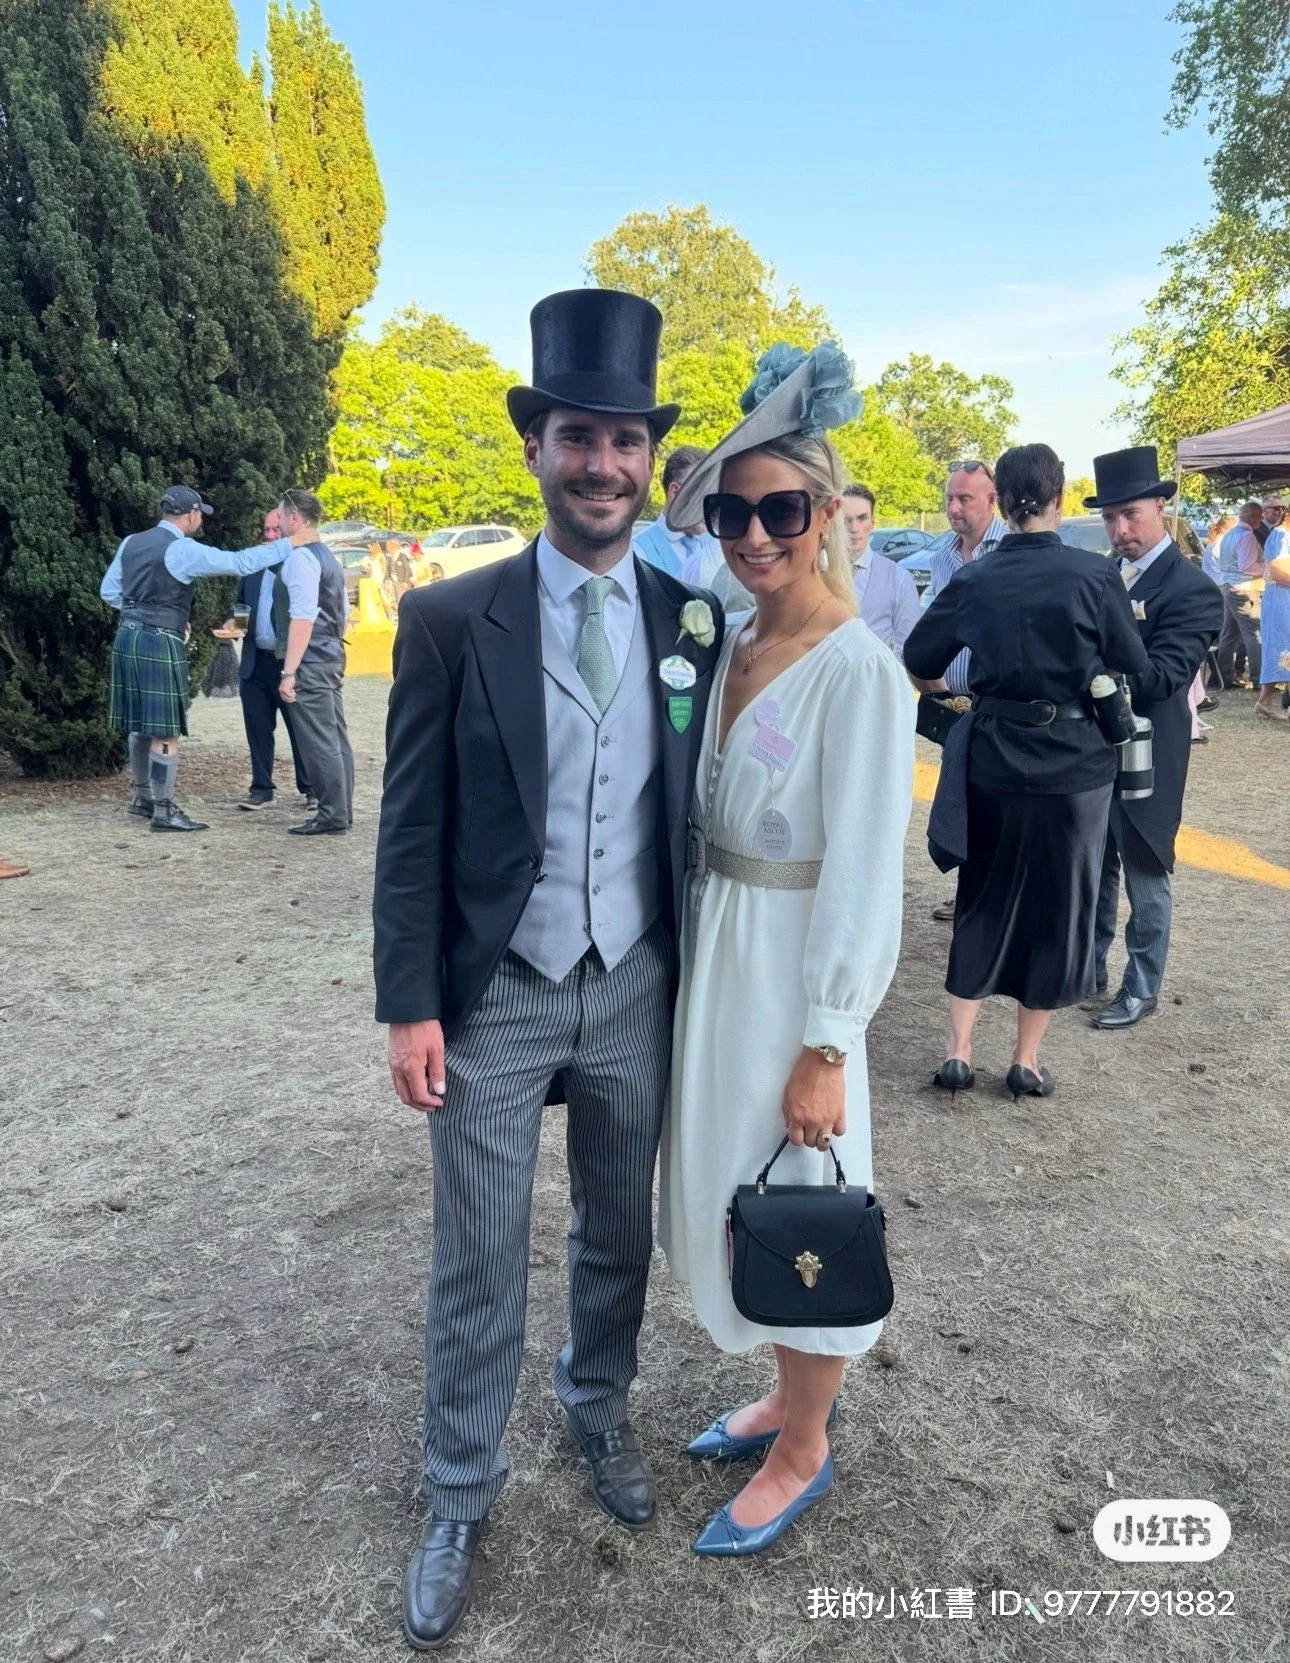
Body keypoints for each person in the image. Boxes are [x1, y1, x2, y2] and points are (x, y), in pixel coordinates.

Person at [373, 289, 725, 1650]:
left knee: (616, 1228)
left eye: (626, 441)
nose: (603, 464)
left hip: (635, 977)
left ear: (650, 458)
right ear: (536, 446)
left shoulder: (691, 620)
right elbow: (411, 827)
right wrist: (409, 1001)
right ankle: (459, 1488)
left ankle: (598, 1407)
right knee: (477, 1250)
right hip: (498, 987)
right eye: (579, 435)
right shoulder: (450, 618)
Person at [658, 343, 913, 1558]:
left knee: (805, 1193)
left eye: (781, 511)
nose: (754, 536)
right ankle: (782, 1392)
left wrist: (829, 1038)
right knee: (739, 1185)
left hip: (793, 974)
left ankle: (806, 1441)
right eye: (733, 513)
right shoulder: (733, 642)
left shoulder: (860, 672)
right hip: (724, 955)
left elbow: (864, 867)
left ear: (824, 514)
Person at [903, 444, 1147, 1099]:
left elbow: (919, 657)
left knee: (982, 896)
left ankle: (958, 1051)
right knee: (1056, 905)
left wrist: (952, 694)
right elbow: (1132, 660)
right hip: (1075, 765)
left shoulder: (975, 577)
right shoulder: (1094, 575)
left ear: (1003, 502)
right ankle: (1025, 1060)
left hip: (994, 758)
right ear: (1060, 498)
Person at [1087, 447, 1224, 1029]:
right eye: (1110, 517)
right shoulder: (1100, 575)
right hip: (1091, 749)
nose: (1121, 530)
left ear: (1160, 508)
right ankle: (1087, 970)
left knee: (1145, 871)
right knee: (1094, 866)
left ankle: (1141, 987)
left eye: (1131, 515)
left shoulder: (1193, 588)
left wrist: (1092, 669)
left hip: (1148, 752)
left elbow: (1165, 676)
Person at [99, 485, 307, 830]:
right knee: (164, 729)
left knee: (138, 722)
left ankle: (142, 797)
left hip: (127, 637)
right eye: (200, 515)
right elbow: (239, 562)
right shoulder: (183, 549)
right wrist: (291, 543)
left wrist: (143, 612)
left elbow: (109, 591)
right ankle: (164, 810)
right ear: (191, 514)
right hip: (158, 641)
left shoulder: (131, 542)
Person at [917, 462, 1008, 922]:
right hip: (954, 705)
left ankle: (994, 895)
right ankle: (968, 892)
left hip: (1000, 706)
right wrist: (938, 696)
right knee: (959, 802)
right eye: (949, 498)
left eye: (964, 499)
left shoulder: (1010, 552)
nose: (953, 508)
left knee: (997, 803)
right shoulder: (941, 559)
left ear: (992, 501)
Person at [218, 507, 312, 812]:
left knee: (301, 730)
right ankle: (262, 789)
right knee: (257, 730)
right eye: (266, 530)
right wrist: (233, 624)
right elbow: (241, 607)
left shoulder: (299, 565)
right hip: (254, 662)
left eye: (276, 529)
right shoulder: (253, 567)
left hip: (289, 663)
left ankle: (311, 788)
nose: (270, 535)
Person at [273, 489, 354, 837]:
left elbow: (303, 617)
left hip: (311, 659)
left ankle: (332, 813)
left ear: (295, 517)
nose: (278, 523)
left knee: (319, 739)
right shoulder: (329, 558)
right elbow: (344, 612)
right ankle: (341, 808)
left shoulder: (301, 558)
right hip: (331, 653)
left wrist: (289, 671)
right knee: (335, 735)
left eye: (280, 516)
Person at [841, 484, 921, 657]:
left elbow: (907, 646)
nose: (854, 528)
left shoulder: (899, 578)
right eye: (846, 520)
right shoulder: (818, 573)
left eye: (862, 518)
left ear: (872, 522)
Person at [633, 446, 721, 578]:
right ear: (675, 492)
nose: (712, 508)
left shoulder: (717, 545)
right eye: (704, 495)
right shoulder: (637, 552)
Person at [1213, 502, 1264, 688]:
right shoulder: (1247, 536)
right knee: (1255, 633)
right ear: (1254, 517)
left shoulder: (1229, 534)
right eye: (1260, 516)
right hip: (1245, 588)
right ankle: (1259, 678)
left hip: (1229, 585)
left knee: (1229, 634)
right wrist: (1266, 568)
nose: (1261, 520)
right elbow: (1247, 566)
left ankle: (1223, 676)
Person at [1255, 518, 1290, 720]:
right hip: (1281, 598)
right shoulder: (1280, 537)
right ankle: (1266, 700)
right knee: (1281, 646)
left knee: (1283, 647)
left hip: (1283, 597)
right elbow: (1278, 571)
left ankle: (1266, 700)